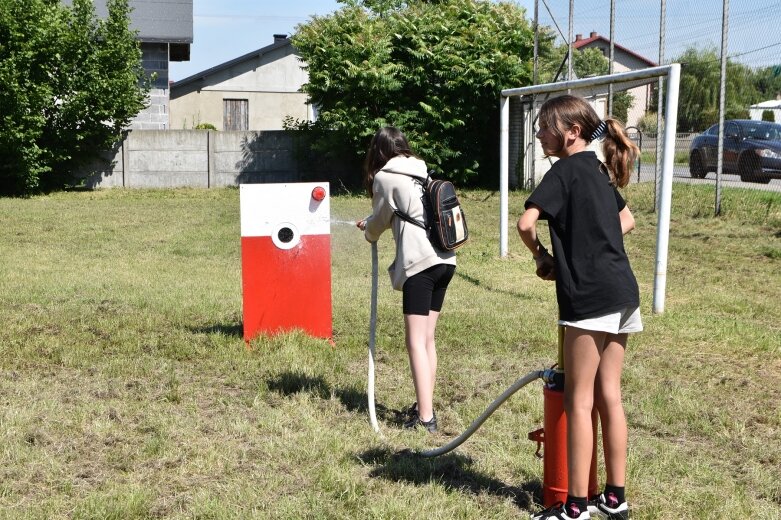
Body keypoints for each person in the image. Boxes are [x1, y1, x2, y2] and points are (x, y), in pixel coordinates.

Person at [518, 95, 640, 520]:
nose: (538, 134)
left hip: (588, 299)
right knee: (611, 396)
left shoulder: (564, 171)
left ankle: (574, 507)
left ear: (571, 132)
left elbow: (526, 223)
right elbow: (627, 222)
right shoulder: (600, 170)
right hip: (623, 292)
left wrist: (541, 258)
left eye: (544, 127)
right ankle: (615, 498)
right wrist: (597, 244)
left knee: (580, 400)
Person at [356, 126, 456, 433]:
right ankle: (424, 405)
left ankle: (425, 418)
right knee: (427, 339)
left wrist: (367, 228)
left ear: (379, 151)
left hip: (419, 264)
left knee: (414, 340)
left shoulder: (386, 177)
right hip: (445, 260)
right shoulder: (421, 169)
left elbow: (379, 223)